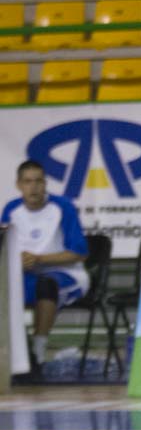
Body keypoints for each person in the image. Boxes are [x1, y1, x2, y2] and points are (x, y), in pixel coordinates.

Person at [3, 160, 89, 375]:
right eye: (28, 182)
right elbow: (4, 250)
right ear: (19, 185)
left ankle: (38, 353)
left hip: (66, 274)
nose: (34, 187)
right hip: (25, 276)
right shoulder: (11, 210)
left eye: (38, 181)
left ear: (45, 183)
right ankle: (13, 352)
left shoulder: (63, 207)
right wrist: (16, 261)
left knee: (46, 284)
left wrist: (40, 259)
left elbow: (79, 253)